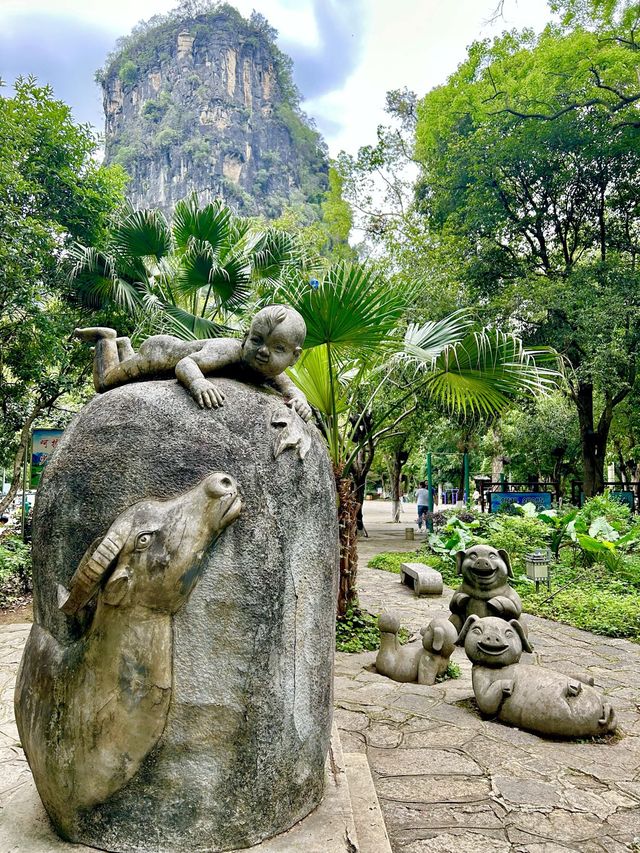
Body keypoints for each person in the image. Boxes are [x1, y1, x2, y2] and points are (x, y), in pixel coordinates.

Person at [75, 304, 312, 421]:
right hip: (160, 355)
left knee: (128, 375)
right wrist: (198, 382)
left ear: (294, 356)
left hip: (160, 354)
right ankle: (106, 339)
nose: (263, 351)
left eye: (277, 348)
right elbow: (186, 363)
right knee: (106, 383)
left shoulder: (266, 369)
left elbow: (289, 388)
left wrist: (300, 399)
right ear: (245, 339)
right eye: (256, 340)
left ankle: (124, 346)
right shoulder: (228, 351)